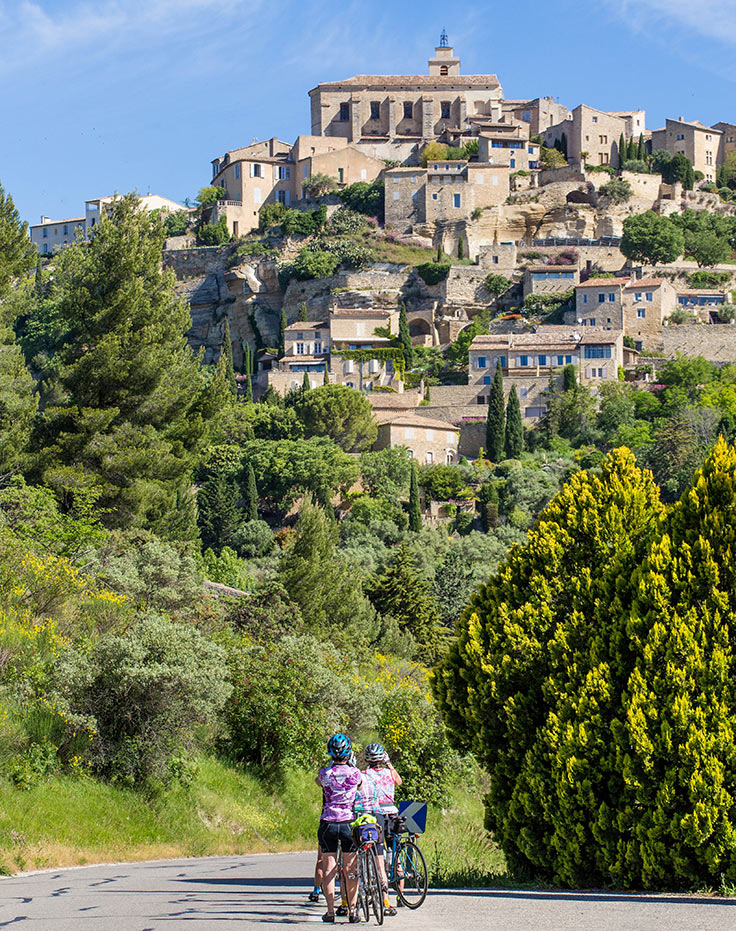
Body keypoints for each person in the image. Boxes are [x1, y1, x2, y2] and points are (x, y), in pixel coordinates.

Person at [316, 734, 363, 924]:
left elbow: (319, 783)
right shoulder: (355, 773)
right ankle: (352, 911)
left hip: (327, 822)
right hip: (347, 823)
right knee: (350, 868)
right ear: (349, 752)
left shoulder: (323, 773)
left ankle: (330, 911)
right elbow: (359, 788)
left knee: (329, 869)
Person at [364, 743, 402, 914]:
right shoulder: (390, 773)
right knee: (396, 855)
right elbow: (399, 782)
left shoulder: (366, 774)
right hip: (393, 813)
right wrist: (390, 764)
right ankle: (401, 895)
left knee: (379, 858)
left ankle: (385, 900)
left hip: (377, 815)